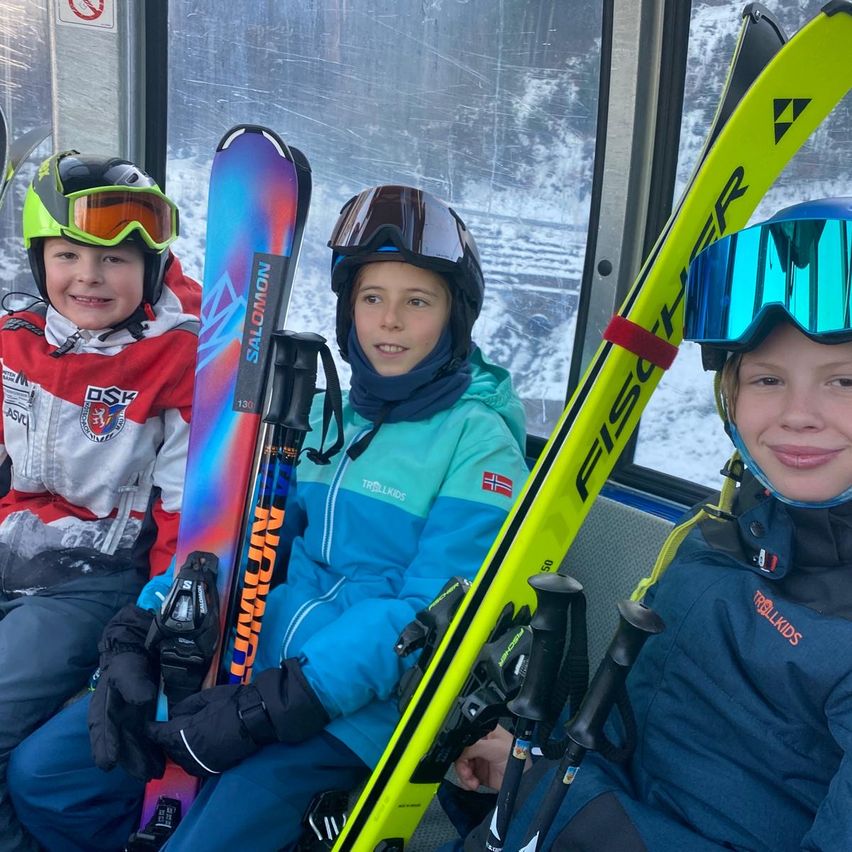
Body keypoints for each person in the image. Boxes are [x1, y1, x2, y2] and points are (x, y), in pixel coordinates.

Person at [8, 184, 530, 851]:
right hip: (244, 668)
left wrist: (275, 706)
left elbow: (428, 611)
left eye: (417, 302)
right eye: (372, 299)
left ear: (454, 316)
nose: (390, 322)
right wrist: (138, 628)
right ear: (349, 311)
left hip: (352, 712)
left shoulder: (479, 445)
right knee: (48, 777)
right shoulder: (316, 418)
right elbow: (226, 540)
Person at [443, 197, 852, 852]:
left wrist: (583, 818)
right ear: (730, 393)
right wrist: (535, 774)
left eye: (845, 382)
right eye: (769, 378)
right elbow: (630, 735)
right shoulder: (720, 537)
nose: (798, 414)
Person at [0, 150, 200, 851]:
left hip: (94, 575)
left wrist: (162, 624)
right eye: (67, 254)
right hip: (13, 541)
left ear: (150, 267)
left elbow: (184, 511)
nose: (88, 277)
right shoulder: (17, 331)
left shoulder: (178, 357)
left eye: (116, 259)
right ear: (38, 258)